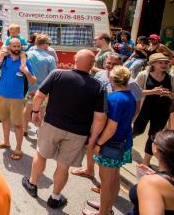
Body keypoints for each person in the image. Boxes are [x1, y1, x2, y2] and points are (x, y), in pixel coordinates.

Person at [22, 49, 106, 210]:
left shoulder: (57, 74)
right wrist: (93, 138)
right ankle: (55, 197)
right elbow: (99, 117)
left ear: (75, 59)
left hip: (52, 125)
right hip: (78, 133)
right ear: (92, 65)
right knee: (63, 166)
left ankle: (32, 183)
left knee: (41, 155)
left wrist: (35, 112)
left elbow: (39, 95)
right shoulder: (98, 86)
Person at [72, 52, 143, 182]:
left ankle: (104, 185)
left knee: (105, 159)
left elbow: (136, 106)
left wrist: (127, 122)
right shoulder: (99, 75)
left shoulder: (131, 83)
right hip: (97, 120)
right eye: (109, 63)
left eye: (115, 64)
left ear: (121, 65)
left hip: (113, 126)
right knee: (90, 145)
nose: (110, 66)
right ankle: (89, 170)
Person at [82, 66, 136, 215]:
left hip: (111, 144)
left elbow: (111, 127)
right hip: (124, 142)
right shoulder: (130, 96)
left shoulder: (114, 98)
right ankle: (106, 207)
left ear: (112, 79)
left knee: (106, 182)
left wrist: (98, 144)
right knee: (114, 178)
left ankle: (103, 212)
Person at [0, 38, 36, 161]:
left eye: (18, 46)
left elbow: (33, 80)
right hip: (1, 95)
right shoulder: (5, 59)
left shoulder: (25, 62)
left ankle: (18, 149)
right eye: (14, 46)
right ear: (9, 47)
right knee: (4, 119)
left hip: (17, 98)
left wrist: (26, 72)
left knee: (17, 125)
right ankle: (6, 142)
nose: (17, 49)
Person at [133, 53, 173, 166]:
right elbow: (134, 91)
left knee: (153, 135)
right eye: (160, 62)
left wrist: (169, 94)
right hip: (144, 109)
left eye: (165, 62)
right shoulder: (143, 75)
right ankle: (127, 141)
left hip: (162, 111)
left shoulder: (171, 78)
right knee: (138, 130)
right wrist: (153, 91)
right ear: (153, 64)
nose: (164, 65)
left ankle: (146, 162)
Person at [128, 130, 174, 215]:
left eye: (153, 140)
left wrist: (152, 181)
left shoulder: (151, 183)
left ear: (156, 148)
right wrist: (157, 176)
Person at [24, 34, 56, 134]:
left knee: (27, 108)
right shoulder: (50, 58)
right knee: (42, 111)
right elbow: (53, 75)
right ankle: (40, 131)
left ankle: (24, 129)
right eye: (48, 43)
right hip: (44, 91)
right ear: (45, 45)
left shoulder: (28, 54)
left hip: (31, 88)